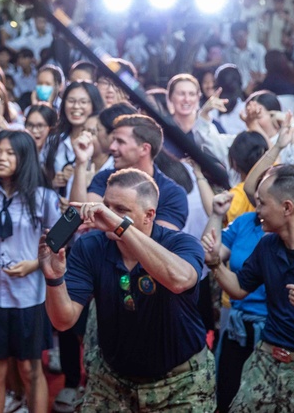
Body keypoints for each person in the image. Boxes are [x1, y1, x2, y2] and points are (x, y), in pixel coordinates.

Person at [40, 169, 214, 412]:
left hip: (180, 382)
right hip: (113, 379)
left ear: (149, 215)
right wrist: (54, 279)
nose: (109, 216)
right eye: (107, 207)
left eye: (121, 210)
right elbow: (63, 321)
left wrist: (119, 227)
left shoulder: (180, 243)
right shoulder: (91, 247)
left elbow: (180, 280)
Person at [0, 130, 59, 413]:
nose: (0, 158)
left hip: (27, 295)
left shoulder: (43, 197)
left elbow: (58, 242)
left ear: (25, 157)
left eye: (9, 153)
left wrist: (34, 264)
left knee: (29, 368)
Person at [203, 165, 294, 412]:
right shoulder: (267, 245)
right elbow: (238, 288)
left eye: (262, 204)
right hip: (265, 361)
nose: (257, 212)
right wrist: (215, 262)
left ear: (287, 208)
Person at [198, 189, 267, 412]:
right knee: (228, 397)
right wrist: (217, 215)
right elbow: (209, 254)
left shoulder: (283, 238)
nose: (258, 196)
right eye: (259, 189)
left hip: (273, 332)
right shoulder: (246, 221)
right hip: (238, 326)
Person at [71, 114, 189, 231]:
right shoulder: (105, 178)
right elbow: (82, 216)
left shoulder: (173, 194)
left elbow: (159, 243)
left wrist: (108, 220)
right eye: (113, 140)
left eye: (120, 142)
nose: (112, 147)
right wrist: (81, 162)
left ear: (144, 149)